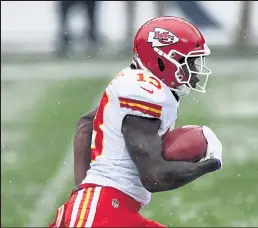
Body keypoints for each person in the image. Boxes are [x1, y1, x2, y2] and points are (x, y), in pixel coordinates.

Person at [49, 16, 223, 227]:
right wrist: (210, 163)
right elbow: (155, 177)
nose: (194, 71)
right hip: (103, 212)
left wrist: (84, 190)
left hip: (106, 208)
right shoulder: (145, 92)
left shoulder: (134, 81)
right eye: (188, 62)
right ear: (162, 59)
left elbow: (86, 125)